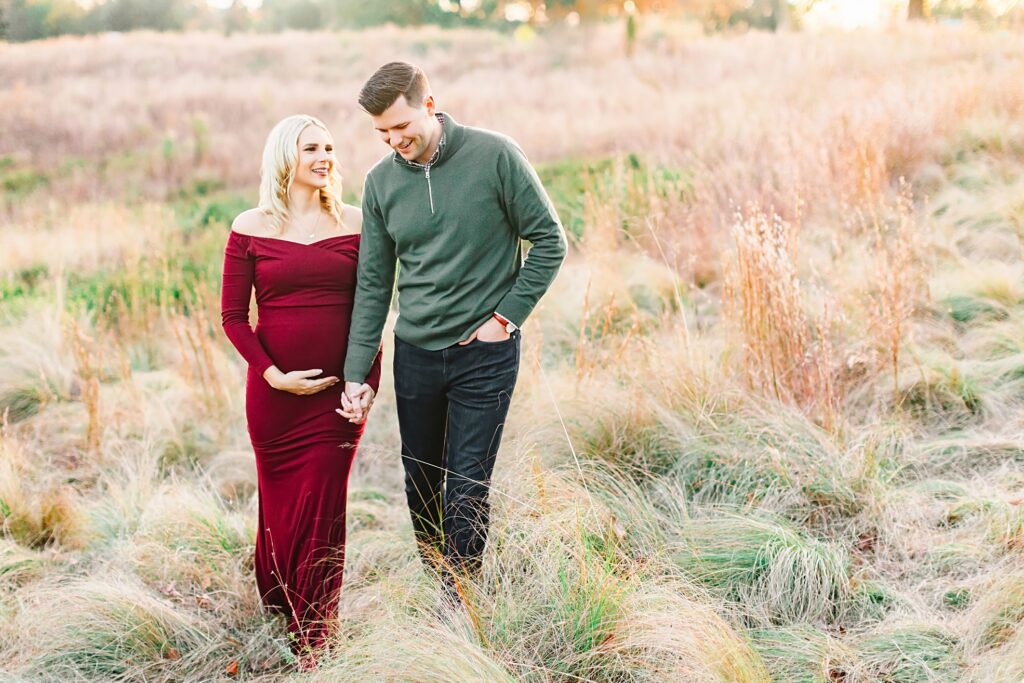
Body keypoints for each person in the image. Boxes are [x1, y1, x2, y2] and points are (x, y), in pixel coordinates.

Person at [339, 62, 567, 587]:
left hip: (483, 354)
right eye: (382, 133)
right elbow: (374, 284)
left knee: (465, 485)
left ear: (429, 104)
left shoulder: (496, 156)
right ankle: (440, 580)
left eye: (402, 127)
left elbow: (550, 241)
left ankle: (458, 603)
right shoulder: (379, 184)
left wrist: (504, 319)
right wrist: (357, 373)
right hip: (415, 355)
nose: (394, 140)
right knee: (420, 483)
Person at [220, 114, 381, 657]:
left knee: (322, 509)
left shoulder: (358, 223)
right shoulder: (250, 227)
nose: (324, 157)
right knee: (283, 509)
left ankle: (316, 634)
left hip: (339, 399)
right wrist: (274, 376)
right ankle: (279, 603)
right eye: (311, 147)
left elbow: (371, 310)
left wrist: (365, 383)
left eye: (330, 148)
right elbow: (233, 318)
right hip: (274, 400)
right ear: (285, 155)